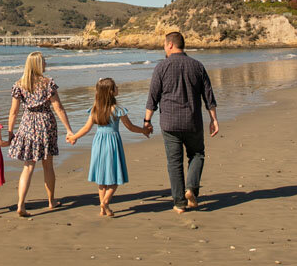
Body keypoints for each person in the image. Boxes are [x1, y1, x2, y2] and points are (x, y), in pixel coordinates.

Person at [144, 31, 219, 213]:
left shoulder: (161, 67)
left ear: (170, 45)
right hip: (192, 120)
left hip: (169, 123)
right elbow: (208, 96)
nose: (163, 47)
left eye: (164, 44)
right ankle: (191, 188)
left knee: (174, 162)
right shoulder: (197, 66)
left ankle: (179, 203)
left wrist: (147, 121)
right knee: (197, 154)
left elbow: (152, 97)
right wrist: (213, 119)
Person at [67, 78, 151, 217]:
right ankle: (105, 202)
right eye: (115, 87)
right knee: (114, 178)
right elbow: (130, 127)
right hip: (112, 143)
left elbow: (86, 128)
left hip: (99, 143)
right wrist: (144, 131)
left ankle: (102, 209)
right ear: (111, 92)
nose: (118, 88)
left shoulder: (95, 109)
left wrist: (74, 137)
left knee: (101, 179)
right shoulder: (117, 109)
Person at [8, 51, 74, 217]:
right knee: (47, 164)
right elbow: (58, 107)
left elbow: (14, 112)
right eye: (44, 61)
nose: (46, 64)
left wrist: (10, 131)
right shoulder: (48, 83)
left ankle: (21, 204)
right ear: (38, 64)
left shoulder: (19, 84)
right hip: (46, 124)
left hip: (27, 124)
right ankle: (51, 201)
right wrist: (68, 129)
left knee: (28, 166)